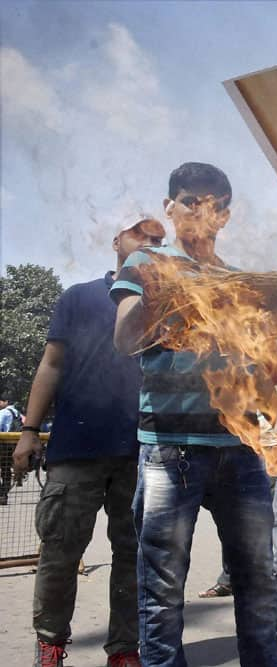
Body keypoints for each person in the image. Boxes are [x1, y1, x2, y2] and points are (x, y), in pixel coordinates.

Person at [111, 162, 277, 667]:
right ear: (170, 207)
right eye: (190, 201)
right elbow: (124, 340)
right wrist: (170, 295)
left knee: (259, 582)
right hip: (171, 449)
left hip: (241, 449)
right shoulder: (145, 261)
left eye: (215, 204)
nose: (202, 212)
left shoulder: (234, 278)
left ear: (226, 215)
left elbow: (260, 366)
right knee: (161, 592)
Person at [11, 216, 165, 667]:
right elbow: (51, 365)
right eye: (141, 234)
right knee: (60, 551)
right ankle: (51, 642)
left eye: (159, 240)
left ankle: (124, 649)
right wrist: (29, 431)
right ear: (117, 241)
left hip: (140, 450)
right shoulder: (78, 297)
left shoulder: (165, 305)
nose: (151, 244)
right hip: (75, 449)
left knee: (133, 554)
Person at [0, 396, 21, 505]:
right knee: (6, 470)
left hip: (2, 444)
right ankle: (3, 495)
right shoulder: (17, 413)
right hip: (13, 445)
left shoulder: (3, 412)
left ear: (6, 402)